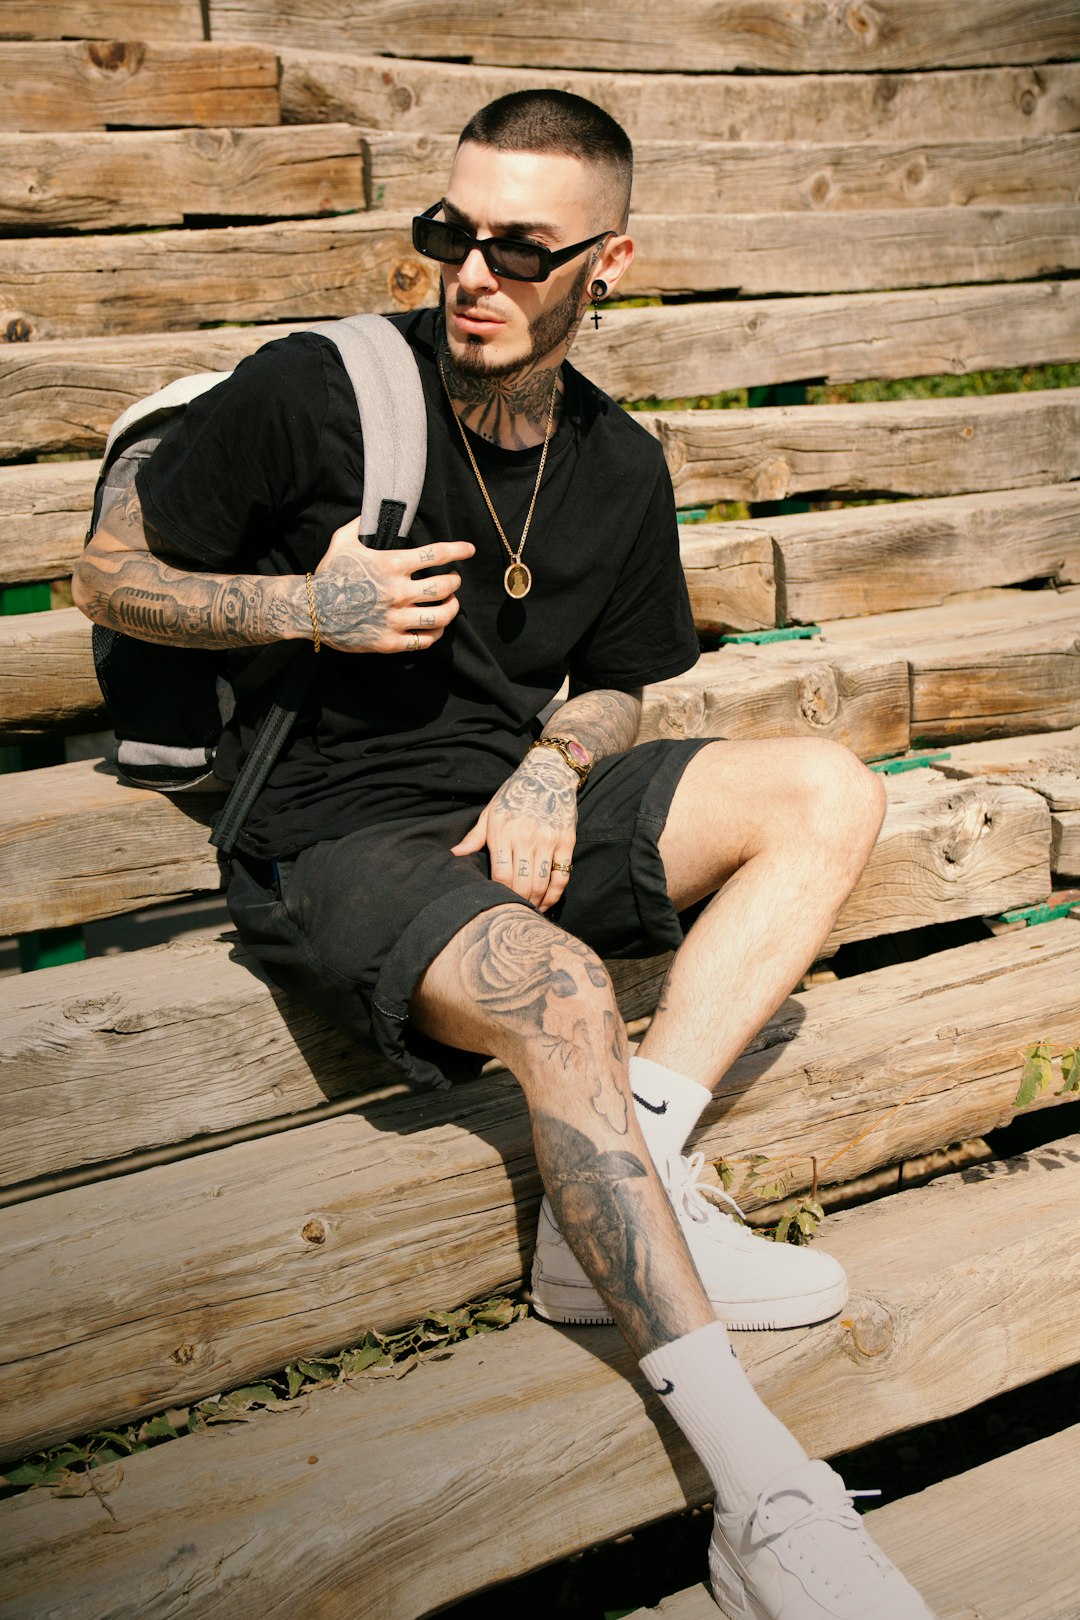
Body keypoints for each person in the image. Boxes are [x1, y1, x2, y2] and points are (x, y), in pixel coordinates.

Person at [74, 89, 935, 1620]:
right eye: (447, 234)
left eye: (518, 248)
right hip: (329, 830)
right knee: (558, 990)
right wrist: (297, 611)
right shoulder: (314, 393)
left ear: (609, 262)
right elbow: (110, 569)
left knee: (829, 790)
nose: (471, 273)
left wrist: (556, 762)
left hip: (505, 799)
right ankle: (761, 1490)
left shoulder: (621, 465)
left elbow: (615, 675)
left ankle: (613, 1207)